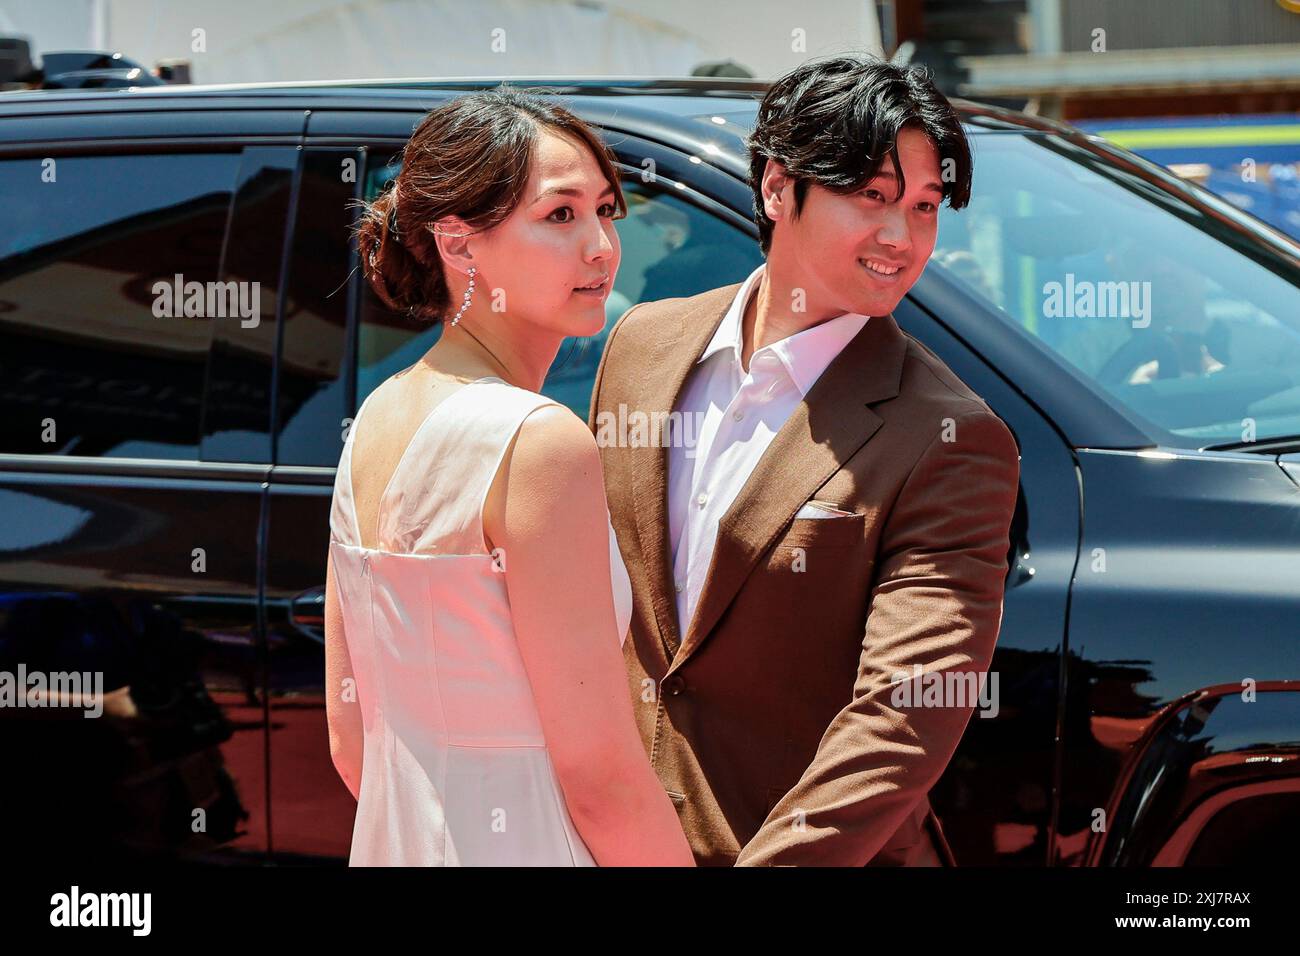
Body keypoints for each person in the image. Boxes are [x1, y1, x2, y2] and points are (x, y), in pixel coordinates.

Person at [589, 55, 1022, 866]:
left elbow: (900, 719)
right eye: (874, 198)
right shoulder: (641, 347)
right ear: (778, 188)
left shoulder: (951, 436)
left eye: (925, 208)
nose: (903, 238)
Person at [324, 87, 694, 867]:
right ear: (458, 245)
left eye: (605, 209)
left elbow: (352, 742)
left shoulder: (378, 418)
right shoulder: (536, 441)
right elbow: (601, 775)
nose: (600, 245)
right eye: (560, 215)